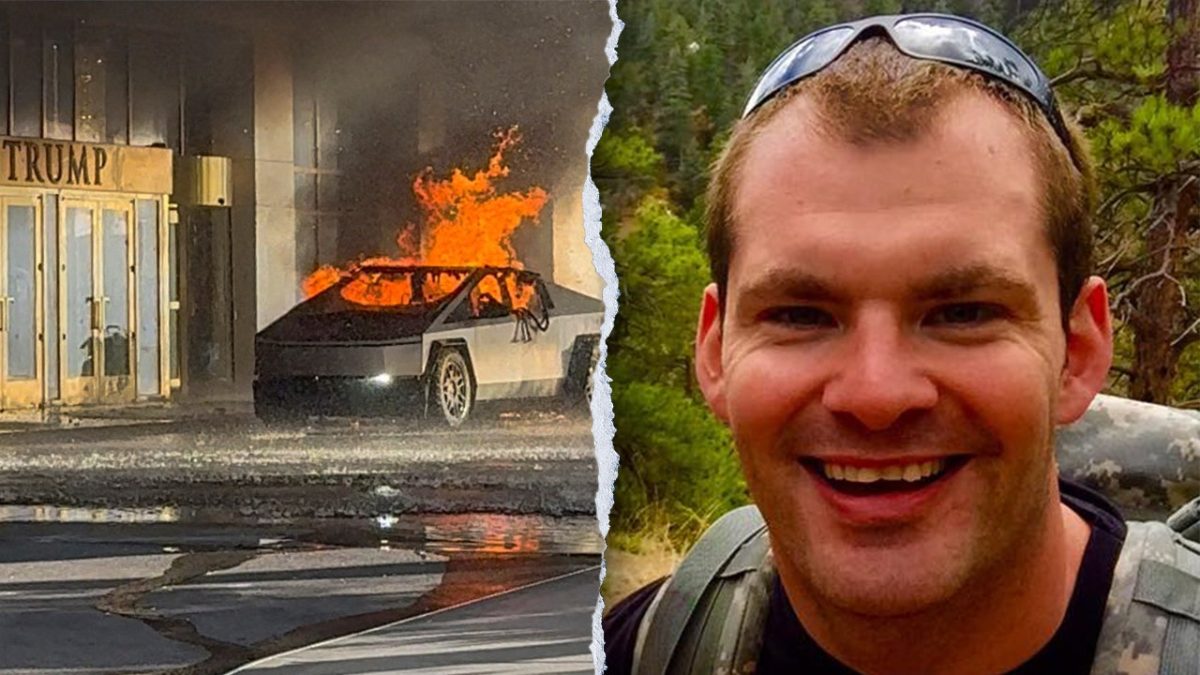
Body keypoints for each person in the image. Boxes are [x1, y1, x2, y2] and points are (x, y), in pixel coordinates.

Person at [603, 13, 1200, 675]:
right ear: (714, 352)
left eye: (964, 312)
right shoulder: (645, 650)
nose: (875, 394)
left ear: (1079, 349)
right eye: (801, 314)